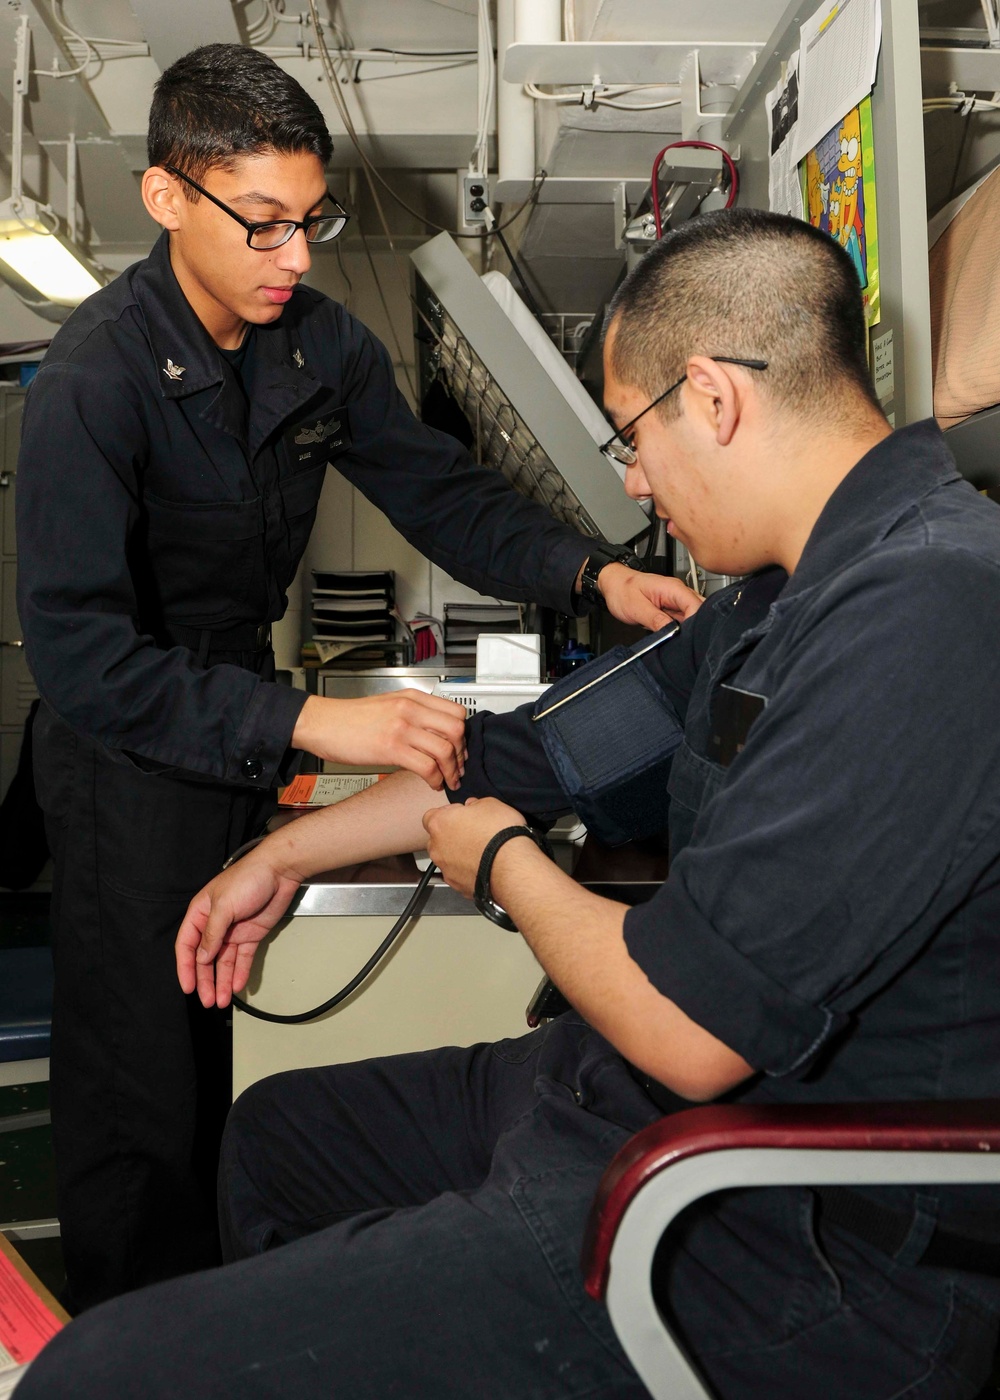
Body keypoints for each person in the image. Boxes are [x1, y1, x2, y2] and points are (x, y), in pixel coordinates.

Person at [20, 206, 1000, 1400]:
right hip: (611, 1109)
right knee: (275, 1139)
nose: (635, 478)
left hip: (772, 1231)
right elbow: (524, 758)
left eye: (633, 436)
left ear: (712, 398)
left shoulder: (931, 606)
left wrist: (503, 869)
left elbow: (689, 1028)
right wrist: (283, 859)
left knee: (95, 1374)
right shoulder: (770, 597)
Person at [14, 43, 698, 1313]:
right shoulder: (95, 379)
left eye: (310, 220)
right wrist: (319, 717)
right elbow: (82, 657)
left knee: (213, 1067)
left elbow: (440, 493)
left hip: (232, 725)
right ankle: (132, 1341)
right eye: (262, 226)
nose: (297, 257)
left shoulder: (317, 344)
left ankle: (220, 1317)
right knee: (140, 1100)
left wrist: (592, 577)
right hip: (123, 767)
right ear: (168, 198)